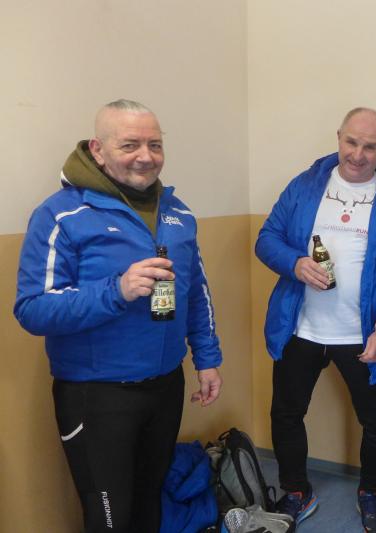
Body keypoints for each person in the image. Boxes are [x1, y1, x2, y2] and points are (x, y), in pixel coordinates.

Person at [14, 99, 223, 532]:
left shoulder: (178, 213)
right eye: (130, 145)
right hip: (97, 395)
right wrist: (117, 291)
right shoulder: (60, 214)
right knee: (110, 518)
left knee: (150, 505)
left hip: (165, 385)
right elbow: (32, 309)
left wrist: (207, 359)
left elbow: (196, 293)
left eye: (155, 145)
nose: (146, 156)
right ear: (98, 149)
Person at [254, 107, 376, 532]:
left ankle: (370, 492)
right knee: (286, 413)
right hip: (301, 328)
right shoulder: (305, 185)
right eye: (351, 142)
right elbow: (266, 239)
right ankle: (297, 491)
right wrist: (294, 263)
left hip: (364, 335)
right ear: (338, 137)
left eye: (370, 147)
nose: (358, 154)